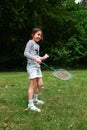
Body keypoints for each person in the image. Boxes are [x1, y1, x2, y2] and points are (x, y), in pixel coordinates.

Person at [24, 28, 49, 112]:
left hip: (37, 66)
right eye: (38, 34)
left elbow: (37, 57)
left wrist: (43, 58)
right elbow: (26, 53)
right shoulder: (30, 42)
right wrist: (35, 58)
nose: (39, 36)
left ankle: (35, 99)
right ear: (33, 34)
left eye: (40, 35)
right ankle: (30, 104)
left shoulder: (37, 45)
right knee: (32, 85)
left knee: (40, 84)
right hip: (32, 66)